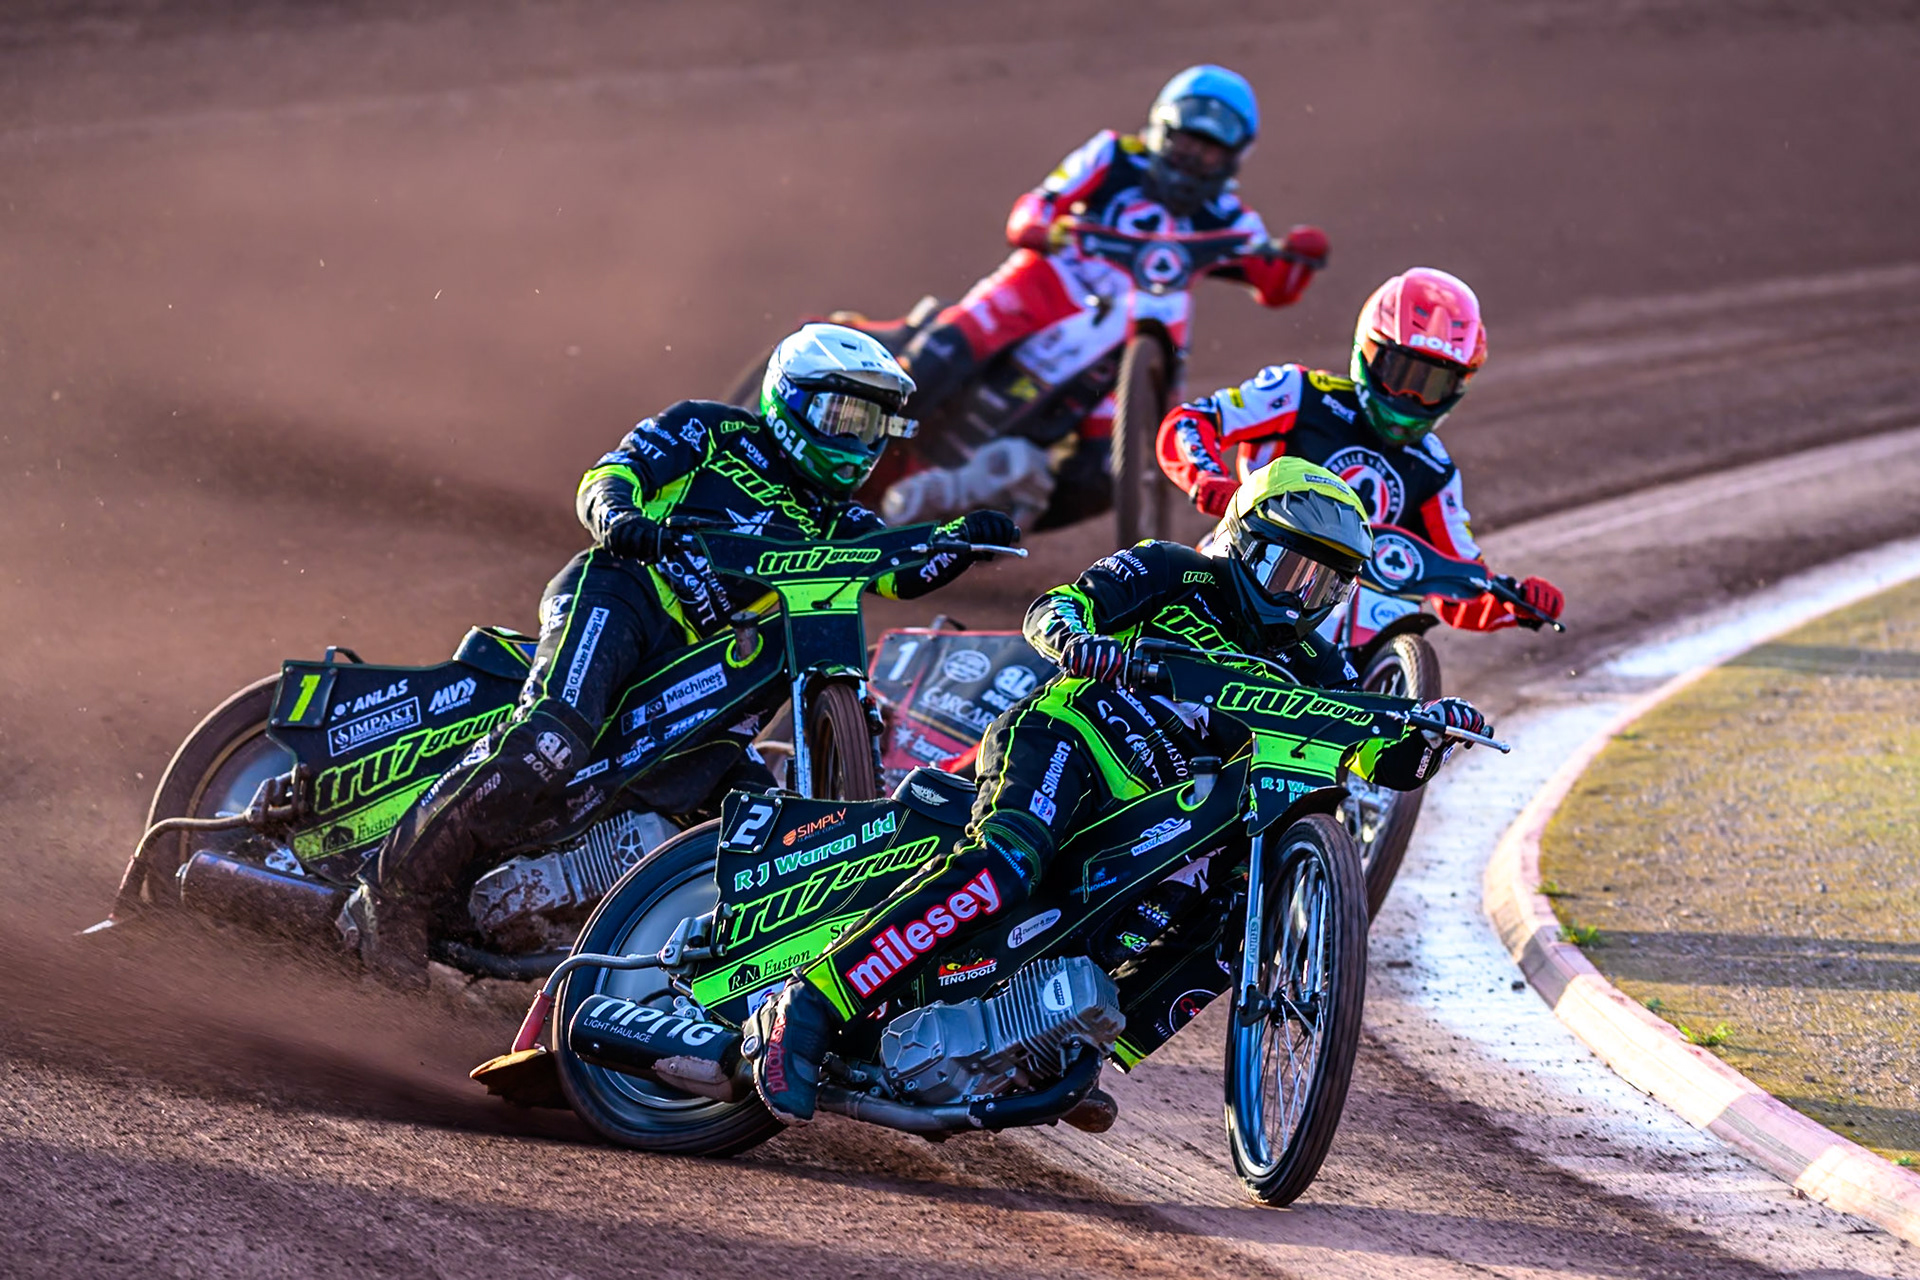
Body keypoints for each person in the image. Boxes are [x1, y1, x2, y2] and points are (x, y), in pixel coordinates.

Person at [748, 459, 1490, 1121]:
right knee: (1004, 864)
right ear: (1244, 541)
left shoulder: (1318, 666)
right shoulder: (1174, 571)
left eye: (1324, 582)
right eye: (1290, 570)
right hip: (1073, 739)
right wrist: (1079, 641)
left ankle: (1075, 1043)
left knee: (1240, 913)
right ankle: (809, 1006)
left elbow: (1374, 758)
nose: (1302, 597)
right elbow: (1058, 608)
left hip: (1164, 821)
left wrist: (1427, 740)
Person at [340, 323, 1020, 986]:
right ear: (791, 400)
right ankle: (391, 892)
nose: (855, 438)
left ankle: (656, 985)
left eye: (871, 425)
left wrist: (958, 541)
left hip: (707, 674)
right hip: (626, 596)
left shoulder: (841, 522)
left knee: (760, 828)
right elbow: (613, 475)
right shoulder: (713, 432)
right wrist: (619, 518)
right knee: (551, 736)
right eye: (842, 413)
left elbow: (896, 573)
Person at [880, 65, 1328, 527]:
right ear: (1161, 130)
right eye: (1187, 141)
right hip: (1045, 286)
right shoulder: (1113, 155)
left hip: (1131, 338)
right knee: (937, 357)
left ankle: (994, 524)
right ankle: (849, 455)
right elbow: (1036, 204)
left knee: (1106, 474)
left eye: (1210, 151)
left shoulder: (1231, 217)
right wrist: (1039, 226)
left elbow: (1275, 285)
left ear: (1233, 158)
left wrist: (1300, 256)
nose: (1194, 159)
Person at [1155, 267, 1565, 632]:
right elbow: (1190, 423)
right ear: (1368, 351)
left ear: (1457, 387)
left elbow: (1459, 585)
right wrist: (1207, 475)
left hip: (1354, 608)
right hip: (1252, 564)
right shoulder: (1299, 392)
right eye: (1401, 372)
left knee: (1402, 622)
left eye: (1431, 385)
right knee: (1177, 589)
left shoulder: (1436, 471)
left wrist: (1515, 604)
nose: (1410, 396)